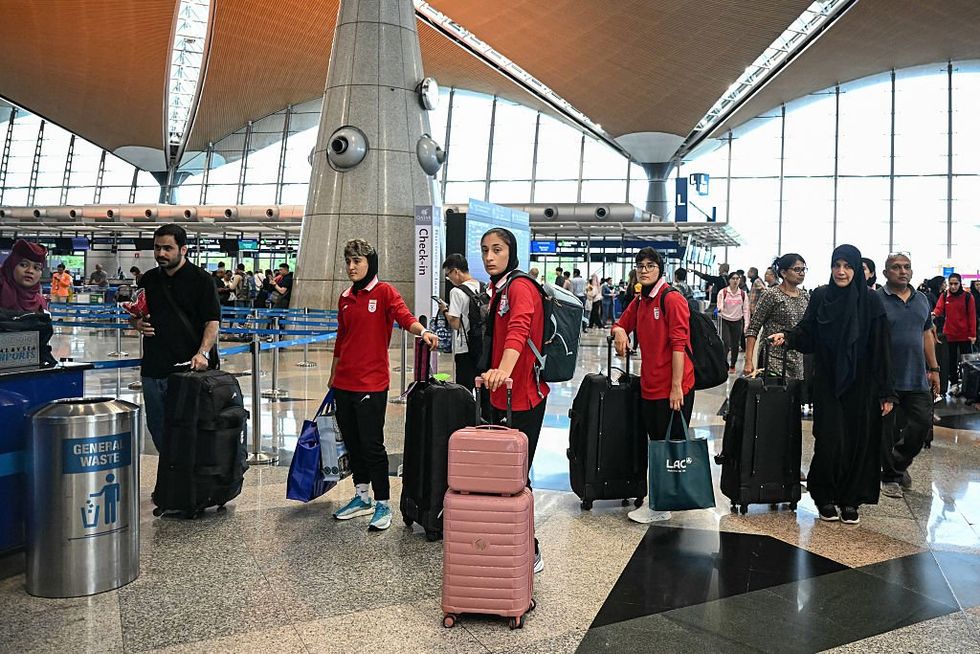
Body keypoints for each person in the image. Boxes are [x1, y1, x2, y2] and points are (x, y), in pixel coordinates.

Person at [770, 244, 895, 525]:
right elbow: (809, 331)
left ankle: (851, 500)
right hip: (828, 381)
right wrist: (788, 337)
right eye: (836, 265)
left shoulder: (871, 302)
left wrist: (887, 390)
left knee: (857, 442)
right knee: (830, 440)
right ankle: (825, 496)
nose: (841, 271)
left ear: (856, 269)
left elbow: (881, 347)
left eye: (848, 266)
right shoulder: (822, 297)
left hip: (863, 385)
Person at [329, 239, 438, 532]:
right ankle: (361, 496)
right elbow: (342, 340)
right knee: (352, 443)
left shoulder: (385, 292)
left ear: (370, 263)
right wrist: (332, 377)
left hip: (371, 383)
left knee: (372, 445)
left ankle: (382, 503)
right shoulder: (345, 297)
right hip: (344, 383)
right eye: (348, 261)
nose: (351, 267)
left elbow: (405, 317)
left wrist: (423, 331)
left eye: (357, 261)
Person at [480, 227, 548, 573]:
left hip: (521, 397)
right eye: (485, 251)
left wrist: (503, 371)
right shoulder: (499, 290)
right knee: (503, 476)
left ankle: (530, 549)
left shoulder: (519, 287)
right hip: (501, 395)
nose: (490, 257)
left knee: (518, 478)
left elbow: (519, 330)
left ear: (512, 253)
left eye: (497, 250)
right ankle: (508, 541)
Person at [611, 247, 695, 524]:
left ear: (661, 269)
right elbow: (620, 324)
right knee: (656, 443)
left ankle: (661, 504)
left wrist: (676, 387)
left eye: (650, 265)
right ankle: (661, 499)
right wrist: (621, 331)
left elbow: (679, 345)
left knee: (666, 445)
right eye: (640, 265)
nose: (644, 270)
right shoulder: (642, 300)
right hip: (650, 382)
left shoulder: (671, 299)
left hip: (672, 385)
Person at [133, 224, 221, 453]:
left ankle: (191, 486)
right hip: (153, 367)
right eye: (157, 248)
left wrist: (202, 352)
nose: (161, 254)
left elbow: (212, 321)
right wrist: (136, 323)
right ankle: (171, 483)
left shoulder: (202, 280)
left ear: (183, 250)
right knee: (159, 429)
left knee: (191, 430)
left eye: (167, 248)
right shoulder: (148, 279)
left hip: (189, 369)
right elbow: (137, 313)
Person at [877, 253, 941, 499]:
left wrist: (934, 369)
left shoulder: (922, 300)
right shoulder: (877, 300)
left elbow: (927, 335)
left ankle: (897, 464)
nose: (902, 271)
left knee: (922, 424)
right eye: (896, 267)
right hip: (888, 378)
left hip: (917, 377)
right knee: (886, 431)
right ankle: (891, 475)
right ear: (886, 273)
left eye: (907, 267)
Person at [744, 255, 809, 379]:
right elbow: (753, 328)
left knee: (794, 396)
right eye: (797, 269)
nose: (801, 273)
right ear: (783, 273)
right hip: (773, 358)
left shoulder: (805, 297)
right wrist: (748, 361)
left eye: (803, 269)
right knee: (775, 395)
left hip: (797, 359)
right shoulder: (771, 295)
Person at [440, 253, 482, 391]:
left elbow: (455, 323)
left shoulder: (456, 292)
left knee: (465, 389)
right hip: (483, 346)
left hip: (465, 347)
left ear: (456, 271)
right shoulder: (483, 286)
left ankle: (466, 413)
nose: (449, 279)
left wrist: (445, 310)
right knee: (482, 387)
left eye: (448, 275)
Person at [932, 272, 977, 393]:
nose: (953, 286)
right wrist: (934, 314)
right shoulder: (944, 296)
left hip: (965, 335)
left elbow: (972, 316)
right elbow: (939, 308)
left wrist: (973, 334)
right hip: (950, 335)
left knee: (967, 362)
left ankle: (969, 385)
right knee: (951, 362)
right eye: (951, 284)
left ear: (960, 283)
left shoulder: (968, 297)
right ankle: (954, 384)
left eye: (955, 284)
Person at [0, 240, 48, 313]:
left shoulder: (40, 303)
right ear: (11, 266)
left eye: (36, 268)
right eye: (24, 265)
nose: (30, 271)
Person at [717, 272, 749, 373]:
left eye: (737, 279)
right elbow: (719, 304)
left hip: (737, 321)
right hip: (725, 319)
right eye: (733, 279)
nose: (735, 281)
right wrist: (720, 308)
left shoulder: (743, 294)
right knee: (725, 343)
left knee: (735, 344)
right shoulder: (723, 292)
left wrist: (746, 324)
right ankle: (723, 363)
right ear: (729, 280)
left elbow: (746, 309)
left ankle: (732, 364)